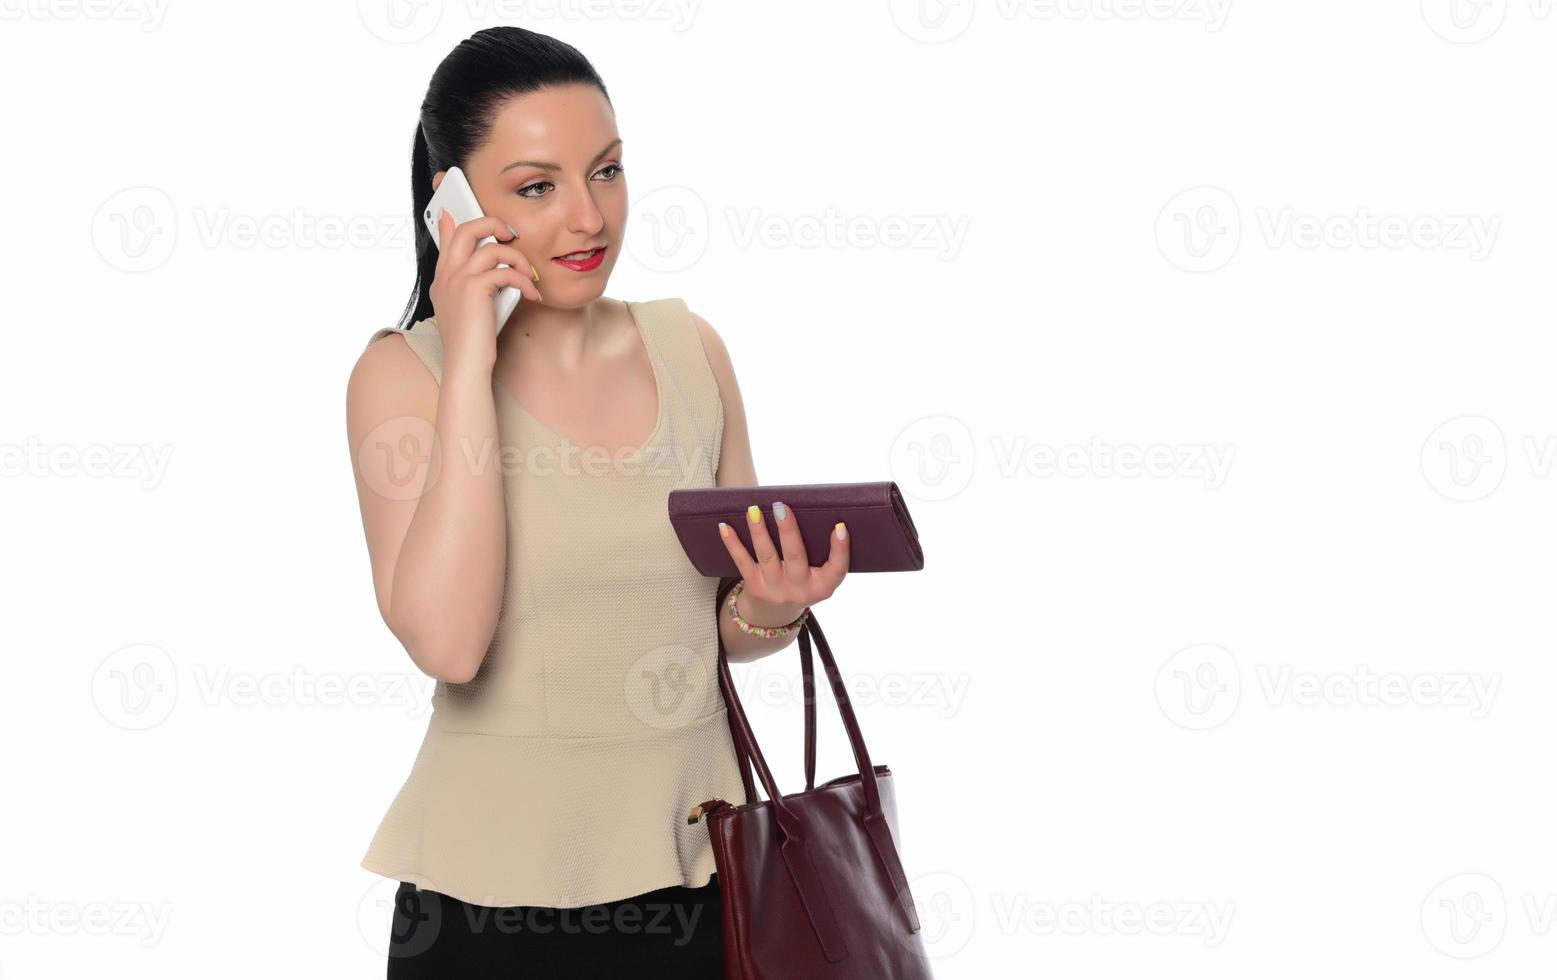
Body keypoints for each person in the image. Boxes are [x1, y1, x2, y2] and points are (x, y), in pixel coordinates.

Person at [344, 26, 852, 978]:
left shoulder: (691, 349)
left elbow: (716, 623)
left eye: (607, 172)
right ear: (451, 207)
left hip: (701, 886)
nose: (589, 218)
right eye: (536, 187)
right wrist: (469, 361)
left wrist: (771, 608)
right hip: (483, 913)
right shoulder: (399, 376)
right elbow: (450, 644)